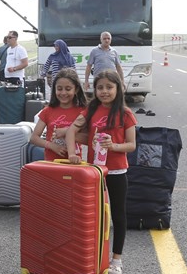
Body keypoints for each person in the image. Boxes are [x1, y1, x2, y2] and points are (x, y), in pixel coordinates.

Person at [66, 69, 137, 274]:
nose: (104, 91)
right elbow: (72, 130)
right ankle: (91, 256)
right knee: (92, 216)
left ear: (118, 89)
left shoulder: (125, 113)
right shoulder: (91, 110)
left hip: (116, 172)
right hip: (93, 172)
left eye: (109, 87)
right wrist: (73, 153)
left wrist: (113, 146)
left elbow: (131, 145)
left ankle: (116, 261)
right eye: (100, 87)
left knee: (117, 215)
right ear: (94, 90)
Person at [28, 68, 87, 161]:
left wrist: (67, 132)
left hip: (74, 164)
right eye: (59, 89)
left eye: (68, 89)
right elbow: (34, 138)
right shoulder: (47, 111)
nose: (63, 93)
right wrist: (51, 146)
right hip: (51, 164)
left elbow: (88, 139)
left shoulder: (82, 112)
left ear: (76, 89)